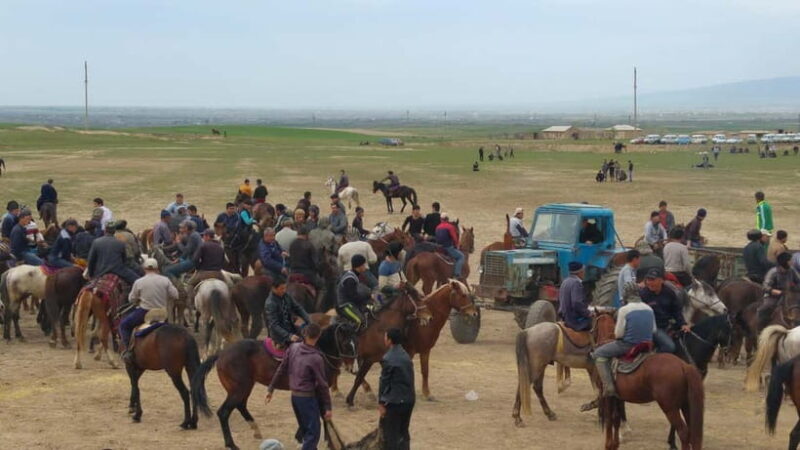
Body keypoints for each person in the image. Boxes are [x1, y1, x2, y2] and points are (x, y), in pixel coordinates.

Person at [266, 323, 331, 450]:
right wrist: (327, 407)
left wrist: (271, 388)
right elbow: (323, 385)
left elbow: (281, 369)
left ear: (305, 334)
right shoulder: (316, 357)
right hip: (308, 399)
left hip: (295, 398)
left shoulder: (293, 348)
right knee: (313, 433)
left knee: (306, 430)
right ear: (318, 336)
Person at [592, 282, 655, 397]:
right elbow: (653, 330)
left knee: (598, 353)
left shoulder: (624, 310)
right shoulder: (649, 308)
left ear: (626, 294)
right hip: (647, 345)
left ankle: (609, 387)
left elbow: (618, 334)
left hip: (628, 345)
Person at [120, 258, 179, 362]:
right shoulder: (165, 280)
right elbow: (175, 295)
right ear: (157, 268)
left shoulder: (139, 281)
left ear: (144, 269)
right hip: (162, 313)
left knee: (124, 325)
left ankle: (128, 351)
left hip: (144, 312)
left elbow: (131, 299)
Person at [378, 328, 416, 450]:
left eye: (385, 337)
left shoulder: (388, 358)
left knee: (391, 435)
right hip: (409, 400)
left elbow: (384, 382)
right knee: (403, 433)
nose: (384, 339)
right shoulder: (406, 356)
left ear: (389, 340)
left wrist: (381, 402)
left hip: (394, 402)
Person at [639, 268, 688, 353]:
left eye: (653, 280)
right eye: (648, 280)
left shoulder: (669, 293)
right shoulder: (643, 295)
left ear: (661, 280)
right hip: (654, 328)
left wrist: (683, 324)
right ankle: (654, 357)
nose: (649, 282)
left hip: (669, 325)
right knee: (670, 347)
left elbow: (676, 310)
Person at [265, 276, 311, 348]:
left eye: (285, 288)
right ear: (273, 288)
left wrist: (308, 320)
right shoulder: (270, 303)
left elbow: (298, 308)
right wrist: (288, 336)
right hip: (280, 335)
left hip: (291, 327)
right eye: (281, 288)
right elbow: (274, 325)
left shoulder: (286, 296)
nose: (284, 290)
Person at [758, 252, 800, 332]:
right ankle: (761, 328)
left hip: (788, 295)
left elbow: (799, 281)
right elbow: (765, 286)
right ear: (785, 261)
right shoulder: (773, 272)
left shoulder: (792, 270)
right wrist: (773, 291)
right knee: (766, 307)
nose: (792, 262)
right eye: (790, 260)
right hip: (773, 296)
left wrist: (795, 288)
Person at [186, 229, 227, 306]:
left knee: (189, 284)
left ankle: (191, 303)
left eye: (204, 236)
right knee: (229, 286)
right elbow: (224, 262)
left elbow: (195, 259)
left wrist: (198, 267)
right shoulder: (220, 247)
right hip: (218, 274)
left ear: (208, 237)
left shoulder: (203, 246)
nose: (203, 238)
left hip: (204, 273)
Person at [337, 254, 373, 328]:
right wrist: (367, 296)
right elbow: (353, 296)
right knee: (360, 321)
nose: (365, 267)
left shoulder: (354, 275)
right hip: (345, 305)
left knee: (371, 308)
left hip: (352, 303)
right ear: (359, 266)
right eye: (363, 265)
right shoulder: (350, 279)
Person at [558, 262, 591, 331]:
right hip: (573, 320)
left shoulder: (565, 281)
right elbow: (576, 303)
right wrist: (588, 313)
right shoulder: (576, 283)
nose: (584, 273)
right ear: (580, 272)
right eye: (583, 271)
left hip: (564, 317)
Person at [289, 226, 322, 291]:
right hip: (307, 273)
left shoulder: (292, 244)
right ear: (306, 234)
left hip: (293, 272)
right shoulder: (309, 245)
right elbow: (315, 262)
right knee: (322, 286)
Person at [435, 213, 464, 279]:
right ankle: (457, 274)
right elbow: (454, 238)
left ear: (441, 219)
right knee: (461, 256)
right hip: (448, 247)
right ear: (447, 219)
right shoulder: (450, 227)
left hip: (439, 248)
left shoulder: (437, 227)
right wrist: (457, 246)